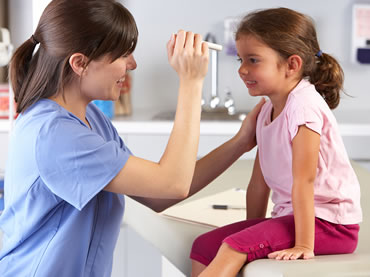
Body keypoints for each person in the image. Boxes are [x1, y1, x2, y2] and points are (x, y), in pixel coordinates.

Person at [0, 0, 265, 276]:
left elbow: (159, 193)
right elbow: (172, 183)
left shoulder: (91, 119)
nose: (133, 64)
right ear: (80, 63)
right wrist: (190, 82)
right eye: (123, 54)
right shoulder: (56, 135)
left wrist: (241, 141)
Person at [190, 7, 363, 277]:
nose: (243, 70)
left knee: (233, 248)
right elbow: (259, 183)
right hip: (291, 219)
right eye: (240, 60)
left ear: (292, 65)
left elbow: (304, 181)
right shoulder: (266, 111)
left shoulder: (303, 107)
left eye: (253, 60)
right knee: (203, 247)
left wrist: (305, 244)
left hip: (329, 225)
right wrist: (252, 229)